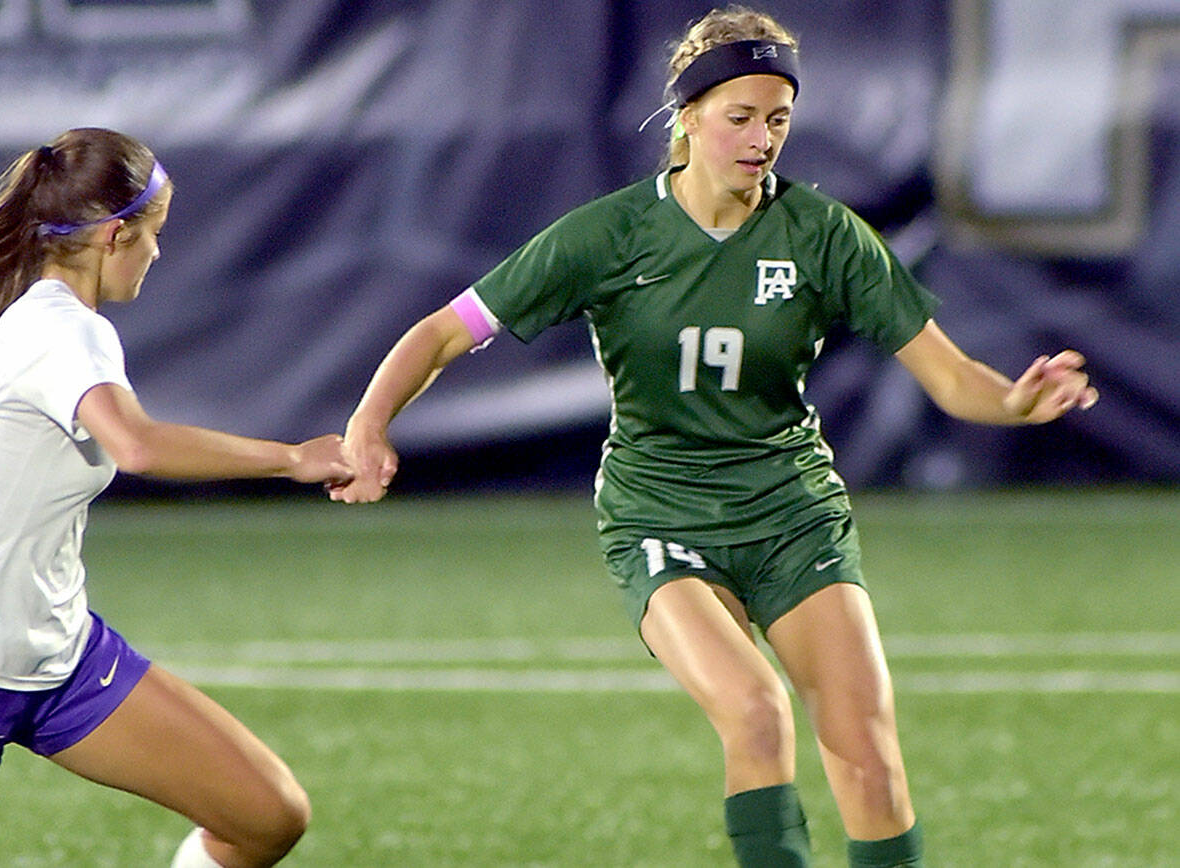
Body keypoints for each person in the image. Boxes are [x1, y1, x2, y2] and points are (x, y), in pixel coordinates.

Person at [330, 6, 1098, 868]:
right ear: (687, 115)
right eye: (739, 116)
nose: (761, 138)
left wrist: (1016, 401)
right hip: (663, 517)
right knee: (756, 712)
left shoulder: (823, 235)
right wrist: (369, 424)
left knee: (870, 758)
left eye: (778, 118)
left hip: (791, 512)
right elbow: (443, 329)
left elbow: (952, 377)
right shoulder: (611, 234)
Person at [0, 127, 351, 868]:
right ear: (114, 234)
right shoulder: (64, 331)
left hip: (61, 659)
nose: (157, 254)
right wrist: (294, 458)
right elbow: (138, 446)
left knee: (267, 816)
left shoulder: (18, 322)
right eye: (154, 235)